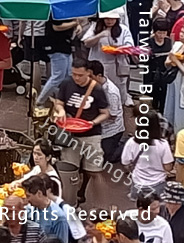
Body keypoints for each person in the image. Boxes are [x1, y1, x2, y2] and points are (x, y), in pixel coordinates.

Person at [52, 59, 112, 204]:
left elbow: (105, 113)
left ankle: (102, 206)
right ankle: (69, 202)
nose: (76, 78)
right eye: (74, 74)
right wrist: (60, 111)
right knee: (68, 170)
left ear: (88, 73)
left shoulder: (97, 89)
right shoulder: (67, 83)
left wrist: (92, 122)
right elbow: (59, 103)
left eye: (80, 75)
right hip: (70, 134)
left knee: (94, 171)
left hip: (91, 135)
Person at [124, 113, 174, 199]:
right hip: (158, 185)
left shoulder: (131, 142)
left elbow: (125, 163)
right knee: (157, 210)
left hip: (138, 184)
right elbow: (168, 167)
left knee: (139, 210)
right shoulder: (163, 144)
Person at [88, 60, 126, 165]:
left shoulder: (111, 92)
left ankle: (127, 144)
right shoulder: (90, 86)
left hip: (111, 129)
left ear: (99, 76)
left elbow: (112, 116)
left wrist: (95, 117)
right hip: (97, 124)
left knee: (108, 159)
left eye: (91, 76)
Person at [39, 17, 77, 106]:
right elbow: (56, 26)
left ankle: (64, 100)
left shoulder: (69, 12)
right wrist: (75, 23)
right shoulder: (57, 11)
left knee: (68, 75)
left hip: (66, 45)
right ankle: (40, 101)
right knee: (58, 76)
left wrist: (77, 25)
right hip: (56, 46)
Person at [26, 175, 70, 243]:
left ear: (39, 194)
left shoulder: (58, 217)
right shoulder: (29, 209)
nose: (27, 200)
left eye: (28, 196)